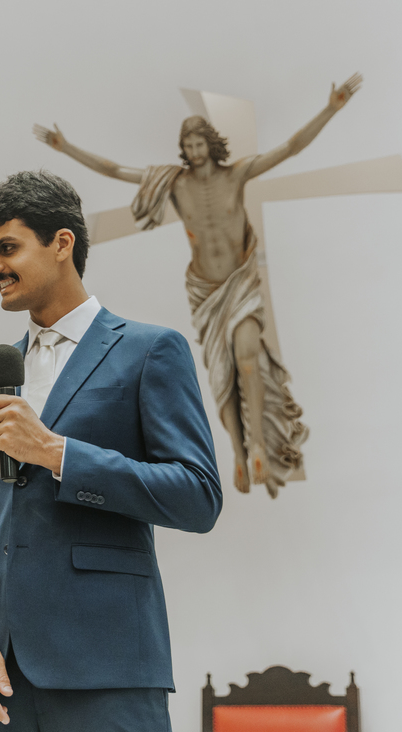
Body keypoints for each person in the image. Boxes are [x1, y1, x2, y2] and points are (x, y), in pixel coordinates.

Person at [0, 171, 222, 732]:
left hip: (107, 666)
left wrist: (58, 454)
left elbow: (198, 495)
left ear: (62, 243)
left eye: (6, 248)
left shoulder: (150, 351)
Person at [33, 74, 362, 496]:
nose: (193, 150)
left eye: (198, 143)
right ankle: (240, 453)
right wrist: (67, 148)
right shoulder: (175, 183)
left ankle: (259, 446)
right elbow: (115, 170)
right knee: (224, 373)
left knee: (247, 357)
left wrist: (331, 108)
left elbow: (290, 147)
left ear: (211, 143)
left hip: (240, 283)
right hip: (207, 291)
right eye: (187, 145)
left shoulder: (237, 173)